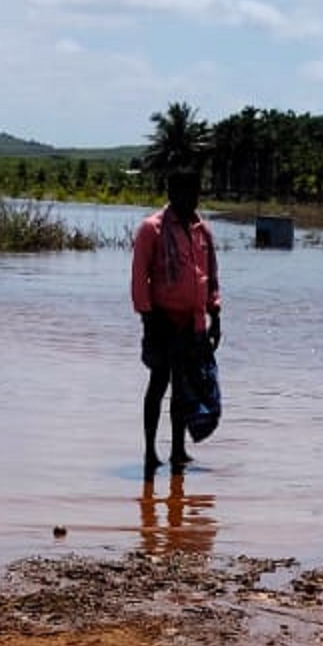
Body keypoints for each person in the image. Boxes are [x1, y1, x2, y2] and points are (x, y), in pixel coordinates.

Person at [131, 165, 220, 474]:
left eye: (194, 193)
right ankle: (150, 451)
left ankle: (178, 450)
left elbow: (211, 278)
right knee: (158, 384)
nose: (190, 199)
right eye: (183, 192)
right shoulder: (151, 229)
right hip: (161, 321)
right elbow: (139, 279)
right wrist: (148, 319)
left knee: (184, 390)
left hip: (193, 324)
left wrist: (215, 314)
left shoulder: (202, 231)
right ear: (170, 193)